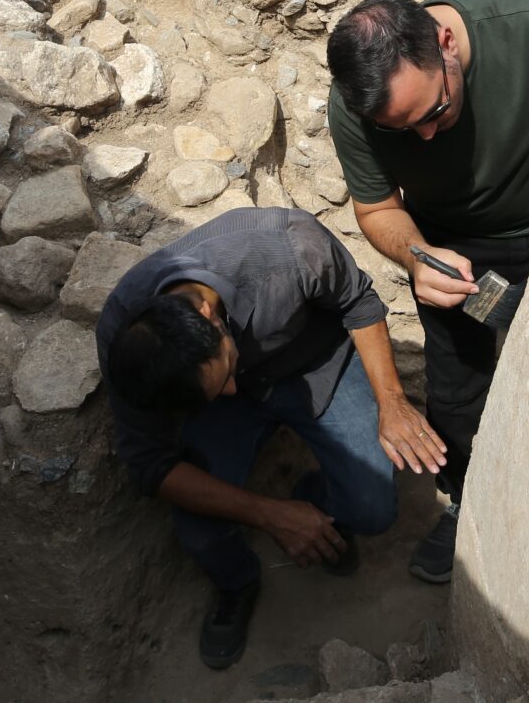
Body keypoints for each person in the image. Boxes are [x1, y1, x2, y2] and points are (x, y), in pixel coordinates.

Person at [325, 0, 529, 584]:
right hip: (456, 257)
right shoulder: (357, 107)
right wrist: (417, 258)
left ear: (445, 44)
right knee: (457, 393)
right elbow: (377, 209)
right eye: (403, 130)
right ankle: (468, 501)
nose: (428, 138)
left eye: (434, 112)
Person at [96, 206, 444, 670]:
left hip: (313, 363)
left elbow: (359, 304)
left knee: (372, 508)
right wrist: (271, 515)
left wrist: (393, 402)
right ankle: (237, 585)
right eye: (217, 388)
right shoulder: (126, 337)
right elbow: (151, 465)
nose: (234, 387)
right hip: (224, 418)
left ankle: (317, 500)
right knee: (199, 534)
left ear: (207, 314)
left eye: (224, 370)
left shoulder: (287, 245)